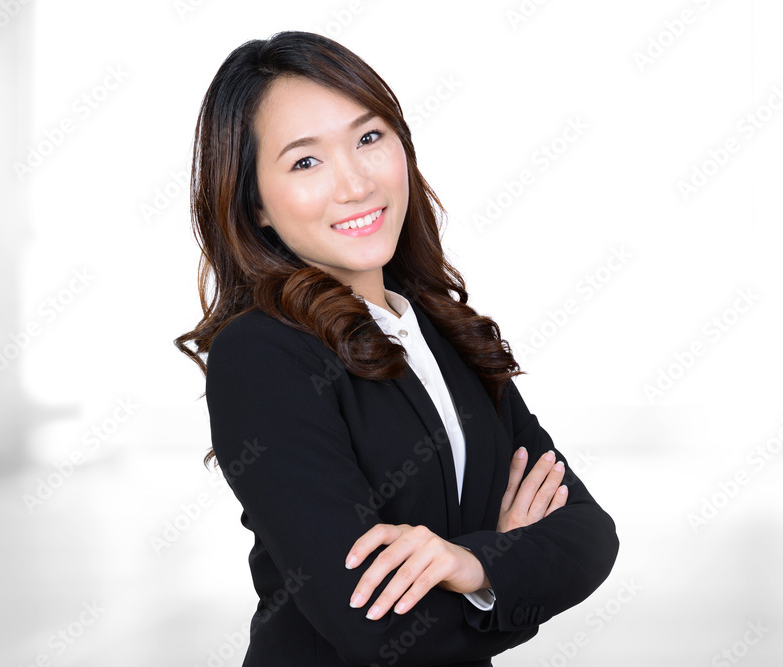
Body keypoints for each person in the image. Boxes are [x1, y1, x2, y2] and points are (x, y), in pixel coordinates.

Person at [175, 30, 619, 666]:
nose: (355, 184)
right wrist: (508, 570)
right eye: (305, 162)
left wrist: (471, 564)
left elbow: (590, 534)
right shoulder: (262, 354)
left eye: (368, 138)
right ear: (256, 205)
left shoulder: (443, 330)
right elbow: (376, 631)